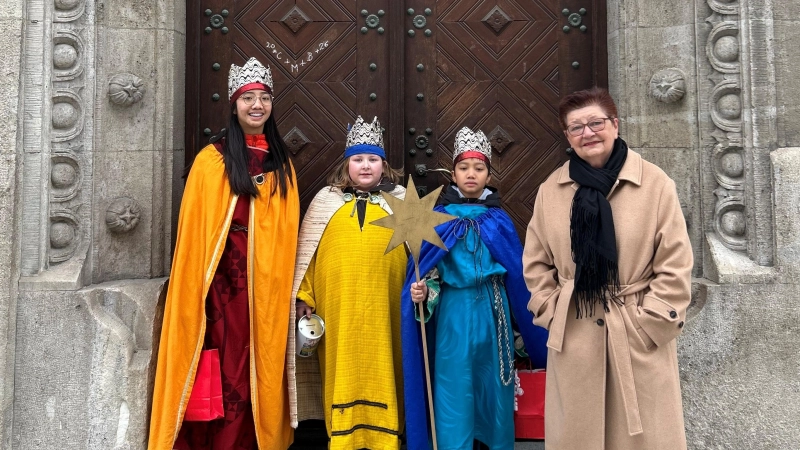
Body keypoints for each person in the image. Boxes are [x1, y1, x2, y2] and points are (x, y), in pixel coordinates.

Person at [523, 87, 693, 449]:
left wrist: (652, 324)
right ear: (568, 137)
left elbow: (675, 264)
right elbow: (536, 262)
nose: (588, 133)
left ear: (615, 125)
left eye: (596, 122)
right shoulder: (551, 189)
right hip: (576, 336)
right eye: (576, 127)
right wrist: (551, 311)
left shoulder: (655, 184)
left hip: (636, 333)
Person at [148, 57, 300, 450]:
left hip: (262, 286)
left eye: (264, 98)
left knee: (255, 366)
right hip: (218, 287)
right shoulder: (210, 161)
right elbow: (198, 233)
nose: (256, 105)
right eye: (248, 98)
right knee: (216, 366)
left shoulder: (282, 165)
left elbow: (285, 235)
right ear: (234, 105)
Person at [403, 127, 549, 450]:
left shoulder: (498, 220)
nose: (471, 174)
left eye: (479, 168)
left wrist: (524, 326)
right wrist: (425, 294)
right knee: (453, 388)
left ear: (488, 174)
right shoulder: (438, 219)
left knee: (494, 390)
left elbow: (516, 276)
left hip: (493, 314)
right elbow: (431, 272)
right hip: (453, 314)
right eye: (464, 168)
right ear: (453, 173)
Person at [292, 116, 407, 450]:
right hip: (337, 308)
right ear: (347, 165)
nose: (365, 166)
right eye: (358, 159)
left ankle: (386, 437)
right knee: (340, 368)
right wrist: (305, 295)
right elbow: (309, 256)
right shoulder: (325, 202)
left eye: (372, 159)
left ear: (384, 166)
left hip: (386, 308)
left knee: (388, 364)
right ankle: (342, 438)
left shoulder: (402, 202)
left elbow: (420, 254)